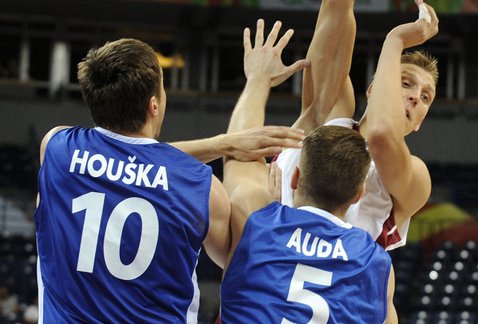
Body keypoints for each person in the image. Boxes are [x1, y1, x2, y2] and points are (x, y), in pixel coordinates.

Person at [33, 37, 306, 322]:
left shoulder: (57, 150)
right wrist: (277, 209)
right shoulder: (200, 187)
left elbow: (127, 155)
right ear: (154, 105)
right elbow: (244, 264)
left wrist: (223, 143)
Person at [219, 19, 397, 323]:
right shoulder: (376, 264)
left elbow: (240, 150)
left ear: (295, 175)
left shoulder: (255, 217)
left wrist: (258, 80)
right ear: (358, 195)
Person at [275, 0, 440, 250]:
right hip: (265, 269)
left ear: (420, 123)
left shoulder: (415, 175)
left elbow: (380, 135)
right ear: (374, 90)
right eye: (406, 83)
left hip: (333, 286)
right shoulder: (329, 118)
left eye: (426, 97)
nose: (416, 96)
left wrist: (395, 40)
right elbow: (334, 12)